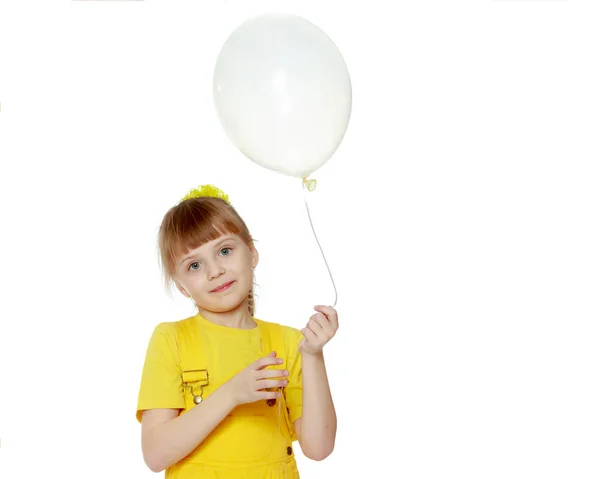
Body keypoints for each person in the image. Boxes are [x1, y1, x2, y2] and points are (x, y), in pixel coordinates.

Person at [136, 184, 339, 478]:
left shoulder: (289, 342)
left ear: (252, 253)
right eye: (194, 265)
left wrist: (313, 355)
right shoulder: (172, 339)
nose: (214, 270)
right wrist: (231, 393)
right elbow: (155, 454)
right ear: (182, 287)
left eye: (225, 250)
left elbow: (318, 448)